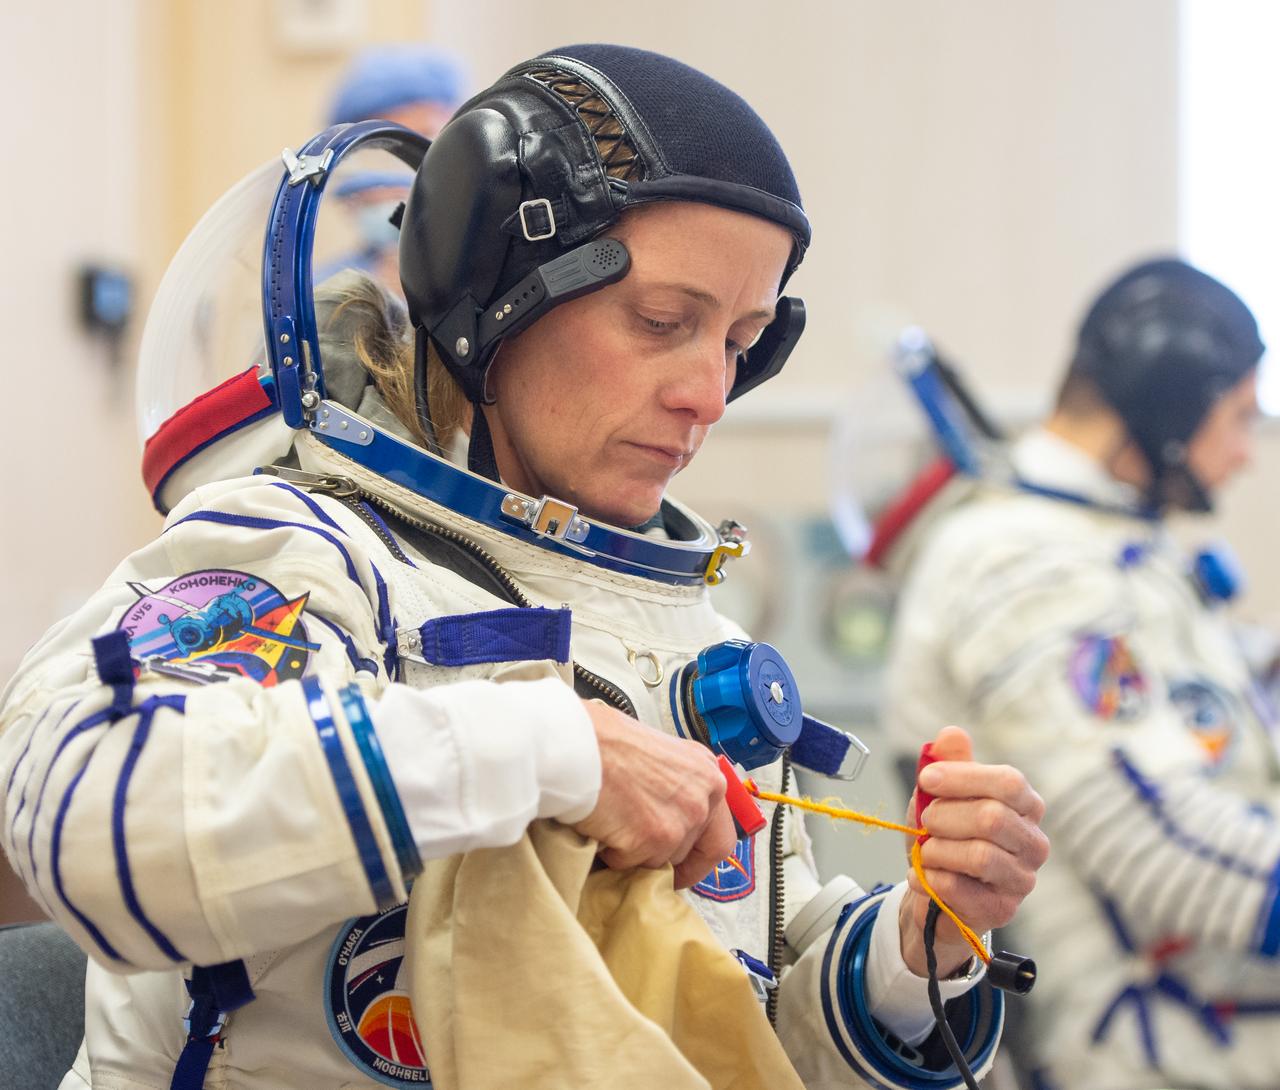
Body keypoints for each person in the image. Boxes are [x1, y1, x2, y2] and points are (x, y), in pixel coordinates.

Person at [1, 44, 1047, 1090]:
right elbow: (88, 809)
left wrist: (914, 949)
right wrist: (552, 749)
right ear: (494, 296)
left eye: (740, 341)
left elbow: (738, 1023)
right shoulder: (307, 550)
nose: (708, 393)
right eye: (661, 322)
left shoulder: (692, 642)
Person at [881, 257, 1275, 1089]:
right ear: (1172, 405)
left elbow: (1195, 723)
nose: (1246, 451)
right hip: (1157, 1053)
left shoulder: (1094, 536)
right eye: (1240, 415)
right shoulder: (1022, 561)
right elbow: (1159, 841)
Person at [322, 44, 466, 288]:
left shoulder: (498, 268)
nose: (403, 169)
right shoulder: (325, 291)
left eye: (423, 140)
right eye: (382, 153)